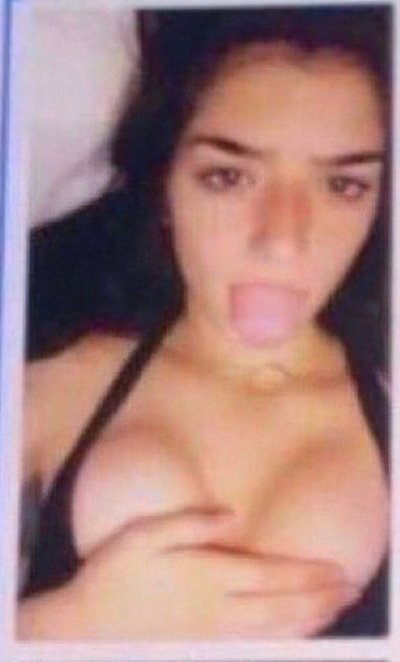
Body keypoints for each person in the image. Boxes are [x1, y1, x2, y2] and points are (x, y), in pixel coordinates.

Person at [18, 5, 390, 639]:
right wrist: (68, 624)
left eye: (343, 186)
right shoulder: (55, 386)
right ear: (164, 185)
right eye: (229, 176)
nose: (283, 241)